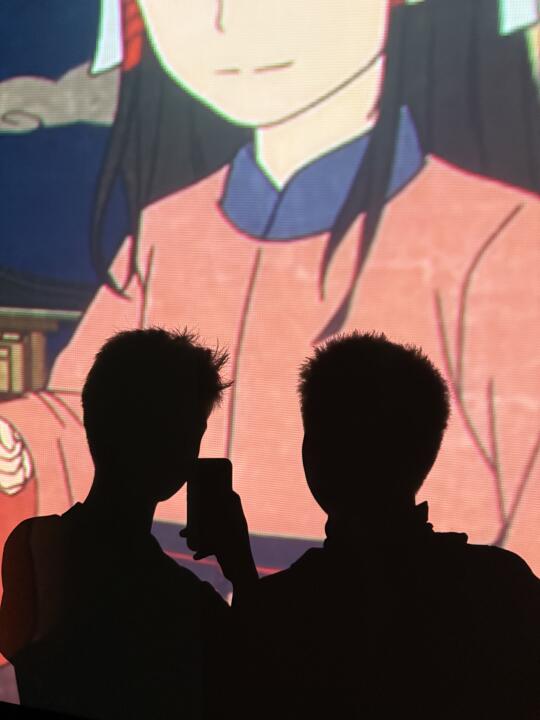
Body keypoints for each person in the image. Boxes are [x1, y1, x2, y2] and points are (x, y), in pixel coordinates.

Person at [0, 0, 539, 595]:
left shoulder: (498, 236)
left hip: (392, 612)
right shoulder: (168, 228)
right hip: (162, 610)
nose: (227, 23)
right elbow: (82, 415)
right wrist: (17, 446)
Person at [237, 331, 540, 719]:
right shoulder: (506, 588)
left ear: (313, 454)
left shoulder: (283, 614)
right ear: (427, 453)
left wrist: (244, 585)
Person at [0, 328, 254, 719]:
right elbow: (254, 676)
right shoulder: (188, 606)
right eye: (192, 431)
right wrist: (241, 570)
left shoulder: (31, 546)